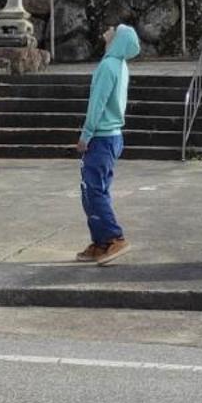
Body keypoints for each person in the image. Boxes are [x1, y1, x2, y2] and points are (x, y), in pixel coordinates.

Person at [75, 21, 140, 265]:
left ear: (118, 40)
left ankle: (114, 237)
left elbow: (97, 104)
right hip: (113, 136)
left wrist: (85, 135)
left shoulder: (108, 66)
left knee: (94, 191)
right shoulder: (121, 66)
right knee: (92, 190)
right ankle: (101, 241)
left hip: (101, 136)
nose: (110, 28)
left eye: (116, 29)